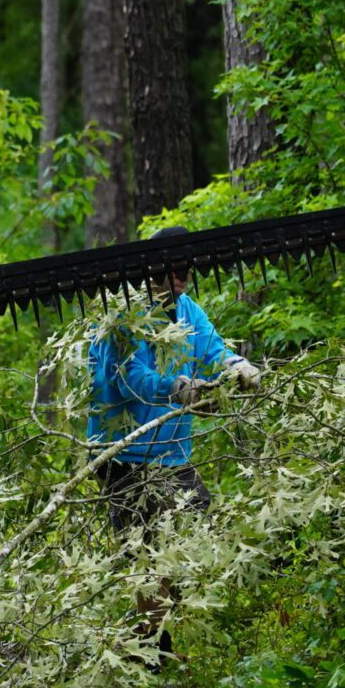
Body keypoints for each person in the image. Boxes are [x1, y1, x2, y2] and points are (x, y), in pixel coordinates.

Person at [85, 225, 260, 533]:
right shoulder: (123, 313)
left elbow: (212, 350)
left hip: (172, 451)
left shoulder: (188, 310)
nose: (185, 273)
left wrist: (236, 365)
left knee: (195, 524)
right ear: (152, 267)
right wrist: (176, 387)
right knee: (148, 544)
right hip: (125, 453)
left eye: (188, 266)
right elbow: (129, 377)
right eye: (176, 266)